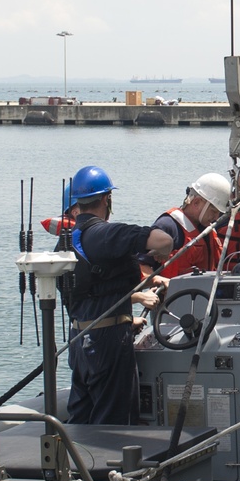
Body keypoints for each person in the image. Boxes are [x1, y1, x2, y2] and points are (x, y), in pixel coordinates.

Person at [65, 165, 172, 425]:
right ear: (106, 199)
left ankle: (75, 463)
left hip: (79, 339)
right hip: (108, 344)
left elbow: (90, 289)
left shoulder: (68, 239)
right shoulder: (105, 233)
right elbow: (164, 241)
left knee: (81, 416)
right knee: (113, 419)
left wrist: (128, 317)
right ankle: (108, 465)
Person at [146, 173, 230, 279]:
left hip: (205, 293)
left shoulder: (207, 230)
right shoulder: (168, 226)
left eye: (219, 213)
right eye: (213, 211)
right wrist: (157, 280)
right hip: (174, 295)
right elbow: (141, 265)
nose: (216, 217)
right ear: (196, 203)